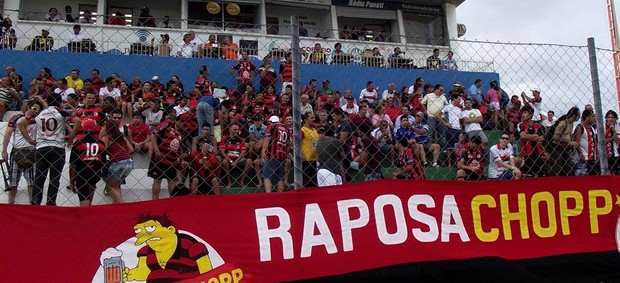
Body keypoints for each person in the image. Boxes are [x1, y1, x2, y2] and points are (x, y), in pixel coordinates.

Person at [23, 93, 81, 205]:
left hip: (41, 147)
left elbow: (21, 123)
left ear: (47, 102)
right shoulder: (60, 113)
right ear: (59, 102)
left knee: (39, 176)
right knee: (54, 177)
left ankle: (35, 202)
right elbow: (78, 120)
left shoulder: (40, 114)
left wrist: (29, 140)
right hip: (57, 147)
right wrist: (71, 136)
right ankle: (51, 202)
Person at [2, 100, 41, 204]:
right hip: (17, 152)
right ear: (28, 107)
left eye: (38, 109)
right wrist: (4, 150)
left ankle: (32, 205)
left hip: (32, 152)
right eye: (34, 108)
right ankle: (10, 205)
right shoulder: (16, 118)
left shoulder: (38, 120)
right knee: (13, 183)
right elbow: (8, 134)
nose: (35, 111)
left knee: (32, 183)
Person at [71, 119, 105, 206]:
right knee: (92, 184)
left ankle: (86, 209)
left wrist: (71, 181)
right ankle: (89, 204)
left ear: (82, 130)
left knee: (83, 197)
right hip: (95, 172)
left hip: (82, 173)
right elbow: (103, 162)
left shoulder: (78, 144)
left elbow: (73, 165)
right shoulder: (101, 144)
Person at [149, 111, 183, 199]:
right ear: (177, 121)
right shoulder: (167, 124)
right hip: (159, 157)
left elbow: (179, 148)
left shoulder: (181, 133)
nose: (183, 124)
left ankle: (170, 202)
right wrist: (156, 150)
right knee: (157, 180)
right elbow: (153, 135)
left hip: (171, 161)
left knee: (171, 181)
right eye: (181, 122)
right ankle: (154, 201)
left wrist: (179, 157)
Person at [102, 115, 134, 203]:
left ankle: (121, 203)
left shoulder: (107, 137)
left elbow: (102, 150)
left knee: (109, 187)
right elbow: (131, 149)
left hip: (117, 162)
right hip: (128, 162)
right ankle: (116, 203)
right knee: (116, 185)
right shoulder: (122, 137)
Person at [547, 107, 580, 176]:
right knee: (556, 169)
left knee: (567, 169)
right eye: (578, 115)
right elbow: (556, 137)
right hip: (557, 148)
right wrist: (568, 142)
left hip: (565, 148)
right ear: (574, 115)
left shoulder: (571, 124)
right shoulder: (563, 123)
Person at [261, 116, 290, 193]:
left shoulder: (272, 126)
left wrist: (263, 150)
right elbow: (289, 143)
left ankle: (269, 194)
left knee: (267, 176)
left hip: (272, 154)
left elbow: (267, 138)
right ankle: (280, 194)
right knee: (280, 178)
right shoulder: (285, 129)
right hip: (282, 155)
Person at [220, 123, 253, 188]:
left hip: (238, 159)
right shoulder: (224, 139)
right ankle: (229, 182)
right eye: (234, 129)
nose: (237, 131)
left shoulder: (241, 140)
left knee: (249, 161)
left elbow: (243, 152)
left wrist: (236, 162)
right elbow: (222, 152)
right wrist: (231, 161)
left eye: (237, 129)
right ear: (230, 130)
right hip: (228, 159)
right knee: (224, 162)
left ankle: (241, 181)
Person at [517, 105, 546, 177]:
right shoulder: (521, 125)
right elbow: (522, 136)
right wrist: (535, 136)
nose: (523, 115)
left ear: (530, 114)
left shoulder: (538, 125)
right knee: (528, 174)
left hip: (538, 152)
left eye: (525, 112)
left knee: (540, 173)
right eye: (522, 113)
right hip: (527, 153)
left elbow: (542, 138)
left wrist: (529, 137)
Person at [573, 109, 598, 176]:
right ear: (587, 117)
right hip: (583, 157)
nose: (595, 118)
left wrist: (596, 154)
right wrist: (581, 154)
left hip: (592, 157)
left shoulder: (592, 129)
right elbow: (576, 142)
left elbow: (595, 142)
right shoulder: (580, 127)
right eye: (593, 116)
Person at [300, 112, 319, 187]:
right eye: (311, 118)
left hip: (314, 159)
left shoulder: (314, 130)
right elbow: (296, 144)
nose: (314, 119)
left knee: (314, 183)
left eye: (314, 117)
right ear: (305, 120)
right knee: (307, 183)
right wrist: (301, 155)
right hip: (306, 160)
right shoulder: (303, 130)